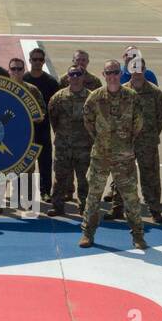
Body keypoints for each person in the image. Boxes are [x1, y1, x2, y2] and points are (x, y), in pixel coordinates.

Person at [79, 61, 147, 250]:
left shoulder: (132, 97)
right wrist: (102, 140)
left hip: (124, 157)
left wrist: (124, 142)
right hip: (100, 156)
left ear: (121, 73)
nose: (112, 76)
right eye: (109, 72)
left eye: (116, 72)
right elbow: (88, 122)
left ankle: (138, 236)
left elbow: (138, 124)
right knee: (93, 197)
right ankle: (87, 233)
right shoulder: (95, 98)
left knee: (131, 198)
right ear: (103, 74)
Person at [110, 60, 162, 223]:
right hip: (125, 143)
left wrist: (151, 135)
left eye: (140, 69)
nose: (137, 72)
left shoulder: (156, 93)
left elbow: (161, 118)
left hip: (147, 143)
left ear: (145, 70)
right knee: (121, 176)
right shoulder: (122, 91)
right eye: (133, 69)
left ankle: (154, 209)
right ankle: (117, 208)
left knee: (151, 177)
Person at [0, 57, 47, 215]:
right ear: (8, 71)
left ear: (24, 70)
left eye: (19, 69)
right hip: (4, 138)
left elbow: (41, 112)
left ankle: (27, 201)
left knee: (27, 171)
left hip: (25, 139)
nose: (16, 72)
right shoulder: (0, 90)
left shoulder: (32, 90)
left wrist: (27, 117)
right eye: (13, 69)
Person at [47, 64, 94, 217]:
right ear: (67, 77)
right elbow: (53, 119)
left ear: (83, 76)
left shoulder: (91, 98)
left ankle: (84, 207)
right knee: (60, 177)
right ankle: (58, 206)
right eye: (72, 74)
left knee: (84, 179)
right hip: (63, 146)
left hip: (84, 147)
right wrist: (63, 136)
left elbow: (96, 120)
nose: (75, 77)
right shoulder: (58, 97)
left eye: (78, 74)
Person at [24, 47, 60, 200]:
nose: (37, 62)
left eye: (40, 59)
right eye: (34, 59)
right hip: (26, 130)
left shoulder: (51, 82)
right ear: (30, 60)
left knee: (45, 162)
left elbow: (56, 107)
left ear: (44, 61)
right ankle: (27, 192)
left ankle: (45, 192)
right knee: (25, 164)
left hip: (43, 129)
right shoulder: (24, 80)